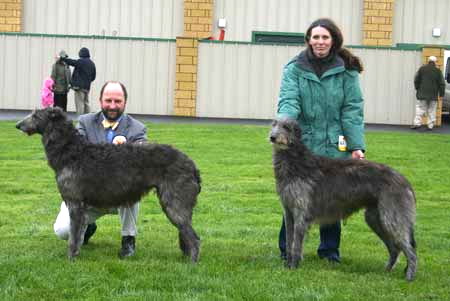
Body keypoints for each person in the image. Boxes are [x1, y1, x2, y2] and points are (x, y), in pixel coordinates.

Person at [276, 18, 365, 263]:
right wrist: (284, 127)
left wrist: (357, 146)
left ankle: (329, 251)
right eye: (315, 37)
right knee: (294, 199)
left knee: (332, 199)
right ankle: (288, 249)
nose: (320, 42)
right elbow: (289, 100)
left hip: (334, 146)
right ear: (308, 40)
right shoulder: (294, 68)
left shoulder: (346, 70)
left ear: (333, 40)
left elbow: (352, 109)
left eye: (325, 37)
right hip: (301, 147)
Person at [53, 81, 147, 258]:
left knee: (133, 186)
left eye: (118, 101)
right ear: (100, 100)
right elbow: (75, 151)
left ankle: (128, 240)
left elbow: (144, 152)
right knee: (62, 231)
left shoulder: (137, 128)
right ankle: (87, 226)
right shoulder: (85, 122)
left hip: (118, 195)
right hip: (88, 195)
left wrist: (130, 150)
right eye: (108, 100)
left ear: (125, 102)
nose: (112, 105)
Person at [411, 56, 446, 131]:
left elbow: (416, 79)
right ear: (435, 62)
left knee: (420, 109)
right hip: (433, 95)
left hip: (422, 94)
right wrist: (441, 94)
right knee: (432, 110)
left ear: (428, 61)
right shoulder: (438, 71)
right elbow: (442, 84)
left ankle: (417, 124)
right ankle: (430, 126)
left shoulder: (422, 69)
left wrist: (418, 88)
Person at [60, 47, 96, 115]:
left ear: (81, 54)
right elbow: (93, 77)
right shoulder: (92, 63)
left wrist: (63, 58)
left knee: (80, 103)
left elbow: (72, 62)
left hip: (79, 87)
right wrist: (87, 81)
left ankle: (80, 119)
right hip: (87, 87)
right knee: (86, 103)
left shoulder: (81, 61)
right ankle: (88, 118)